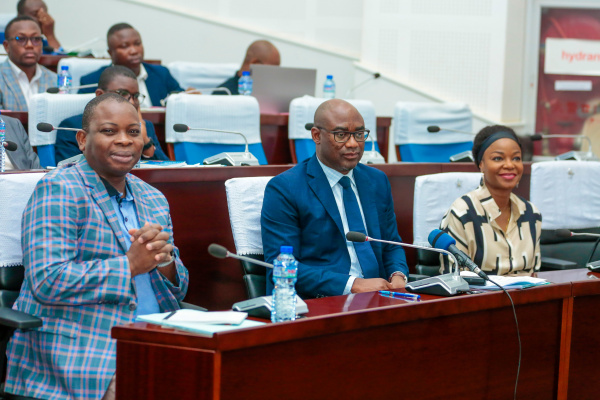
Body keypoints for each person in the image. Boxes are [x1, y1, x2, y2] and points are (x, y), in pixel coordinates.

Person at [4, 93, 189, 399]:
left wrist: (164, 261)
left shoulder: (153, 197)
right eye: (108, 131)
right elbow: (47, 281)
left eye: (133, 132)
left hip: (154, 336)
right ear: (81, 139)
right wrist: (130, 265)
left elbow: (177, 291)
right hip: (81, 345)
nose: (124, 140)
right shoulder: (60, 190)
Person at [261, 99, 408, 298]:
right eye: (341, 135)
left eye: (359, 134)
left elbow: (391, 244)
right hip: (325, 300)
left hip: (380, 296)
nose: (353, 144)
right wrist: (352, 285)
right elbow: (281, 266)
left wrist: (398, 275)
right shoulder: (285, 188)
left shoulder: (376, 181)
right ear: (316, 136)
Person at [439, 125, 542, 275]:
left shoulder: (532, 213)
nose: (509, 165)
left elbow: (534, 275)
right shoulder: (462, 213)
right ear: (481, 164)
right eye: (498, 158)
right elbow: (454, 279)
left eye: (516, 158)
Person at [55, 65, 169, 163]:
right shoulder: (71, 127)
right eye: (122, 93)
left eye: (136, 96)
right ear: (100, 94)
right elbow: (69, 171)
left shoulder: (145, 126)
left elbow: (167, 172)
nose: (131, 102)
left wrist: (145, 141)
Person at [79, 23, 184, 107]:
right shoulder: (91, 81)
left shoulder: (161, 73)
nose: (134, 51)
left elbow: (180, 99)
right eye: (125, 46)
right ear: (110, 53)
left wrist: (188, 97)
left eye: (137, 44)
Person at [0, 16, 56, 111]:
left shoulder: (55, 80)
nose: (29, 45)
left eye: (36, 39)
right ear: (6, 46)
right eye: (21, 39)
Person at [214, 40, 280, 95]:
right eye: (272, 70)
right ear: (255, 64)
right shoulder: (223, 93)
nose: (273, 76)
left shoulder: (268, 96)